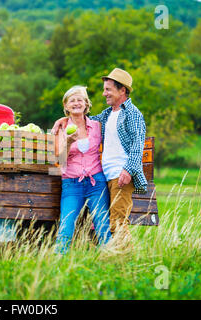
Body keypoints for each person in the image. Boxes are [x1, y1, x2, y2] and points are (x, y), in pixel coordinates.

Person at [52, 68, 147, 246]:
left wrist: (128, 170)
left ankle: (123, 260)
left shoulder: (133, 114)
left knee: (115, 223)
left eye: (108, 90)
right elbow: (81, 119)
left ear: (122, 91)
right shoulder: (107, 114)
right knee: (106, 223)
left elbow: (137, 146)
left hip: (119, 175)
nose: (104, 94)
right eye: (104, 89)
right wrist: (62, 120)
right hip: (102, 176)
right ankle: (113, 257)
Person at [53, 85, 111, 255]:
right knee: (66, 224)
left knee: (102, 223)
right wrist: (69, 142)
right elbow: (58, 160)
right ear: (66, 106)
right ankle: (59, 261)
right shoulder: (61, 129)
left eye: (80, 100)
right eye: (72, 100)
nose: (76, 103)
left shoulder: (97, 126)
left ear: (86, 104)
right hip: (72, 184)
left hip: (96, 182)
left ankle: (109, 258)